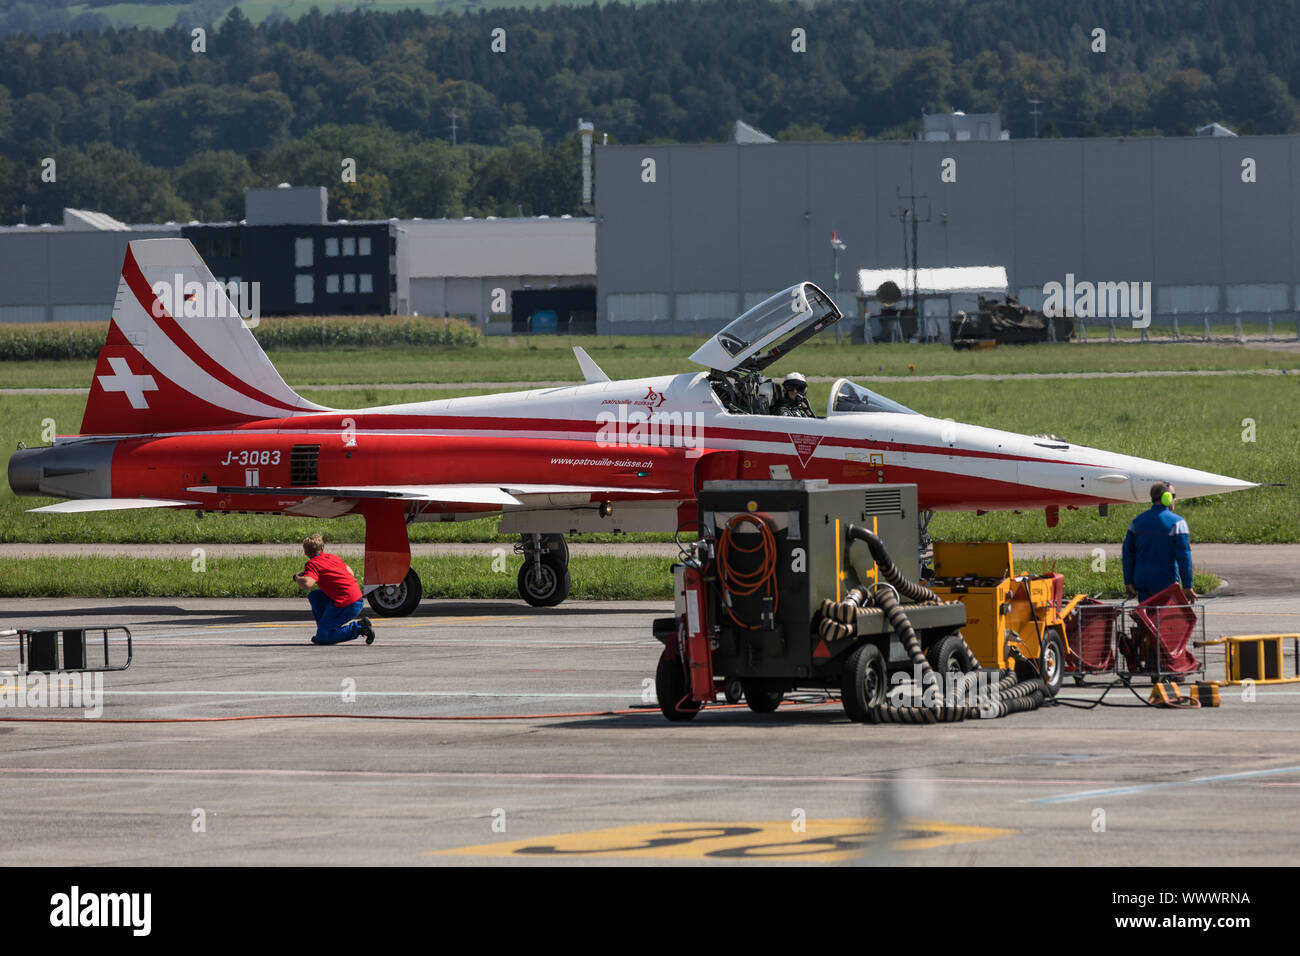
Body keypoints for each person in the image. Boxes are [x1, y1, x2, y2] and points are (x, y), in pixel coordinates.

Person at [294, 533, 375, 644]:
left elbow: (307, 584)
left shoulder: (312, 564)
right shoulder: (333, 558)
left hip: (348, 603)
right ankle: (324, 629)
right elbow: (350, 572)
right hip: (356, 597)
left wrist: (297, 578)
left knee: (323, 639)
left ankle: (359, 627)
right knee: (314, 596)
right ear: (322, 548)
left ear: (305, 552)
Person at [1122, 482, 1195, 603]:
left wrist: (1128, 581)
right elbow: (1184, 557)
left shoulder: (1136, 522)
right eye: (1173, 495)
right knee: (1165, 618)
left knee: (1147, 617)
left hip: (1142, 579)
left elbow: (1128, 554)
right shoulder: (1177, 523)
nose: (1175, 499)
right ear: (1167, 498)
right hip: (1166, 580)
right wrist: (1187, 586)